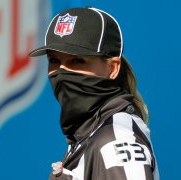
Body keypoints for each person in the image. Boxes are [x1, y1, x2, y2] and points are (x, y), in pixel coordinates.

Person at [29, 7, 159, 180]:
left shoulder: (116, 139)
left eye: (77, 60)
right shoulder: (90, 132)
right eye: (54, 60)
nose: (61, 71)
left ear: (112, 68)